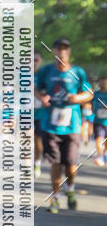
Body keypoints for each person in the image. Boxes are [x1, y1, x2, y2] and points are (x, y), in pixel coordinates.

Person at [35, 37, 93, 212]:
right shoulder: (46, 71)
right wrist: (41, 97)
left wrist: (77, 98)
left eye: (65, 49)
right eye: (59, 49)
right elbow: (35, 87)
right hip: (50, 125)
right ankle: (54, 198)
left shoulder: (77, 72)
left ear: (69, 52)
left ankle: (70, 189)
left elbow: (89, 93)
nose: (62, 52)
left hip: (72, 125)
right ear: (53, 52)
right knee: (55, 162)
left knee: (70, 163)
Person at [33, 50, 44, 178]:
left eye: (36, 60)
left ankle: (37, 162)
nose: (33, 62)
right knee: (26, 138)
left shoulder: (44, 75)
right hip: (25, 112)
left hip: (41, 114)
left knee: (37, 141)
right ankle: (26, 166)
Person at [92, 75, 107, 166]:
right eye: (101, 82)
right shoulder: (96, 94)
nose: (103, 84)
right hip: (98, 121)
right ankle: (100, 156)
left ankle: (104, 153)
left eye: (105, 83)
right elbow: (90, 103)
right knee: (99, 138)